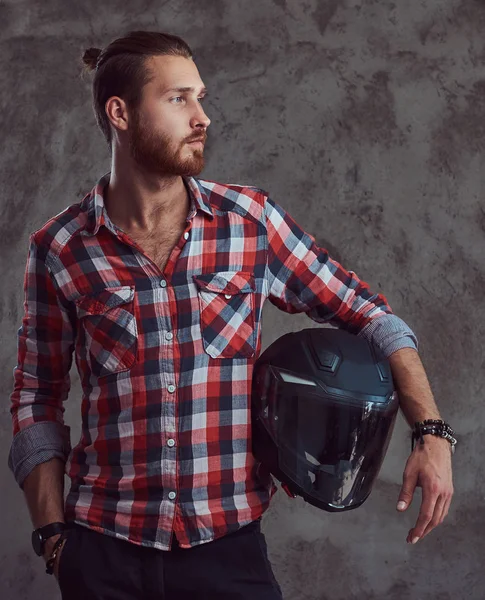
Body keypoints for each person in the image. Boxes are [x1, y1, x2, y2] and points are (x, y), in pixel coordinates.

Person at [7, 30, 454, 600]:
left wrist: (432, 431)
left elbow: (371, 315)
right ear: (119, 113)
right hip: (102, 554)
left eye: (202, 98)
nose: (202, 117)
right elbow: (35, 398)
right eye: (178, 99)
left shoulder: (251, 223)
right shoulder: (61, 248)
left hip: (227, 552)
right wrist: (52, 535)